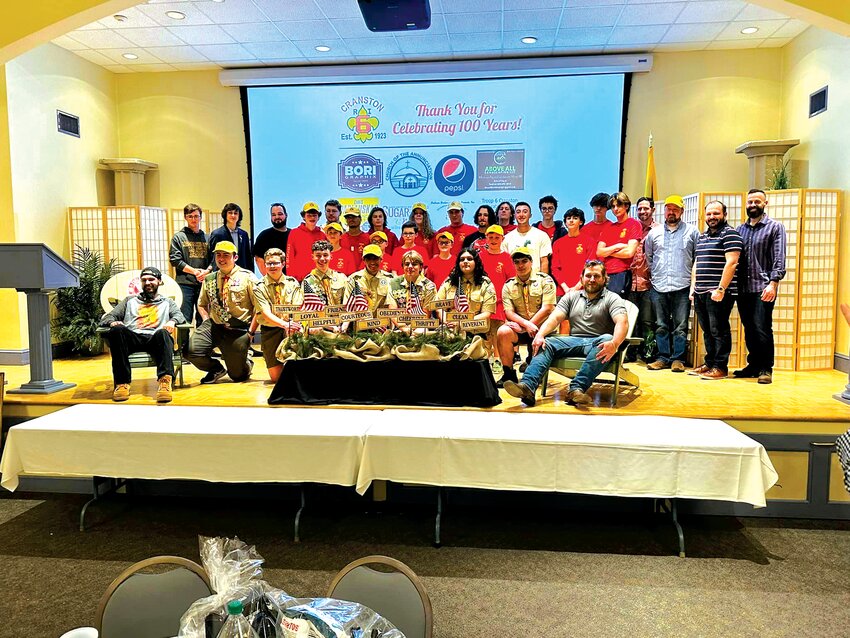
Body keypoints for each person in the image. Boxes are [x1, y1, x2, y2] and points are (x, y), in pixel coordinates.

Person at [504, 260, 628, 408]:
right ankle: (527, 387)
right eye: (588, 276)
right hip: (573, 341)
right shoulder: (571, 297)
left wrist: (614, 344)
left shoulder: (612, 298)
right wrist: (540, 335)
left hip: (598, 343)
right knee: (546, 342)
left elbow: (622, 322)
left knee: (607, 338)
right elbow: (555, 318)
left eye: (596, 276)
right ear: (581, 278)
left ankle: (576, 389)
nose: (592, 280)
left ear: (604, 278)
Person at [100, 266, 185, 403]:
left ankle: (165, 382)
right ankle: (122, 384)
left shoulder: (167, 302)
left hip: (155, 339)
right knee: (117, 331)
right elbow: (108, 317)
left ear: (159, 281)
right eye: (144, 280)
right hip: (133, 338)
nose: (147, 283)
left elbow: (180, 316)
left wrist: (172, 321)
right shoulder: (129, 301)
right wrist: (112, 323)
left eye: (151, 279)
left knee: (163, 333)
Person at [734, 188, 787, 385]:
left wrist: (773, 283)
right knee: (749, 328)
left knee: (762, 327)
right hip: (743, 288)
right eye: (750, 202)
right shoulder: (740, 230)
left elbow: (779, 258)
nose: (753, 205)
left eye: (757, 201)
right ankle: (753, 365)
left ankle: (766, 368)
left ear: (765, 204)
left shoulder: (775, 227)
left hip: (763, 287)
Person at [188, 241, 259, 384]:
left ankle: (246, 360)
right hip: (215, 326)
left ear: (235, 257)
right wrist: (207, 320)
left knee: (238, 376)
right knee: (191, 350)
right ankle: (216, 369)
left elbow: (259, 308)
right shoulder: (209, 279)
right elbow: (201, 304)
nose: (221, 259)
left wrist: (251, 333)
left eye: (226, 255)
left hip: (238, 329)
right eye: (218, 255)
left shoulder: (248, 277)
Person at [645, 195, 700, 372]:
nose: (671, 212)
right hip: (659, 286)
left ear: (682, 211)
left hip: (682, 286)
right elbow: (649, 258)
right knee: (661, 325)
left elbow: (697, 258)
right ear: (664, 211)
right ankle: (662, 357)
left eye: (675, 209)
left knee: (680, 326)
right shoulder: (654, 233)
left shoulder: (692, 232)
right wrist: (657, 274)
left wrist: (693, 283)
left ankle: (678, 359)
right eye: (669, 209)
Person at [690, 200, 742, 380]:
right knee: (708, 330)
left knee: (719, 330)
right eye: (709, 214)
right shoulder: (702, 237)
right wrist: (693, 288)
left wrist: (721, 289)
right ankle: (710, 363)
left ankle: (720, 367)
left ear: (724, 215)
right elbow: (697, 264)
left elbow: (732, 262)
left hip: (718, 292)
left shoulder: (730, 234)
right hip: (700, 292)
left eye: (716, 214)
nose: (712, 217)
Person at [496, 247, 557, 387]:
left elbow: (548, 308)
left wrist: (529, 325)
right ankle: (508, 375)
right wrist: (525, 325)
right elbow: (509, 312)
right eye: (517, 262)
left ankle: (533, 366)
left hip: (542, 328)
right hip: (521, 327)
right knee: (503, 332)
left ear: (531, 262)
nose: (521, 265)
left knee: (536, 362)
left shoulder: (545, 280)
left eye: (524, 261)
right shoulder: (508, 285)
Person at [251, 248, 302, 383]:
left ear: (283, 264)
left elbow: (298, 308)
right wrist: (284, 324)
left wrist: (291, 326)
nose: (272, 267)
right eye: (269, 264)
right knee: (276, 378)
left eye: (275, 263)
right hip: (271, 330)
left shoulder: (293, 283)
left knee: (297, 370)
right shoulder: (259, 286)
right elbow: (265, 312)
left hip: (292, 328)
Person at [435, 248, 497, 336]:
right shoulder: (450, 282)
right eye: (462, 259)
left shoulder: (485, 283)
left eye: (469, 259)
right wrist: (446, 321)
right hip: (451, 331)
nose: (465, 261)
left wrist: (462, 324)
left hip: (476, 333)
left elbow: (486, 313)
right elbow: (439, 306)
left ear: (476, 262)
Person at [478, 224, 516, 367]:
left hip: (500, 304)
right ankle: (485, 363)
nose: (493, 240)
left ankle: (498, 362)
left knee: (498, 334)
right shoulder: (479, 257)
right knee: (484, 334)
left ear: (502, 239)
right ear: (486, 238)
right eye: (490, 237)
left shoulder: (506, 258)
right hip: (483, 304)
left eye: (497, 237)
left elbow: (511, 281)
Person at [627, 196, 659, 362]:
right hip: (629, 282)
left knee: (648, 321)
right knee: (630, 319)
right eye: (639, 209)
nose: (642, 211)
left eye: (646, 208)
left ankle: (648, 353)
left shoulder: (659, 230)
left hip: (650, 283)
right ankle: (630, 354)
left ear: (653, 210)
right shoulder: (631, 228)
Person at [169, 203, 211, 326]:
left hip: (204, 283)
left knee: (203, 318)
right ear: (185, 217)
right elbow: (175, 260)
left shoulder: (207, 237)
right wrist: (195, 272)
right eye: (190, 216)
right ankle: (184, 345)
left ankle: (200, 345)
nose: (194, 219)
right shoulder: (178, 237)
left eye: (196, 216)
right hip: (185, 284)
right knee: (184, 318)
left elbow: (214, 260)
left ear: (201, 217)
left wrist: (206, 272)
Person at [596, 192, 641, 296]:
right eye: (613, 206)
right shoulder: (608, 227)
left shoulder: (634, 224)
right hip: (604, 273)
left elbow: (629, 252)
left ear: (626, 206)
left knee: (616, 308)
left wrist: (608, 252)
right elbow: (599, 252)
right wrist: (617, 246)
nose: (615, 209)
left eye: (619, 205)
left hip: (621, 273)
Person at [342, 244, 392, 332]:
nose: (372, 262)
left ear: (381, 259)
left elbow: (392, 308)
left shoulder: (389, 279)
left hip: (383, 330)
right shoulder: (353, 280)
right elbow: (347, 308)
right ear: (363, 260)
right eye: (368, 259)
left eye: (375, 258)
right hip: (360, 330)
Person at [387, 250, 437, 334]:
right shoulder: (393, 283)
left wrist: (412, 329)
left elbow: (425, 314)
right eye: (406, 264)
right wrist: (403, 327)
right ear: (402, 266)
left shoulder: (429, 286)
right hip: (400, 326)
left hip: (422, 325)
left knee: (419, 333)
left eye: (414, 264)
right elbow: (393, 311)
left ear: (421, 267)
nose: (410, 267)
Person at [550, 207, 594, 294]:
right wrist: (565, 288)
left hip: (584, 289)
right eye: (568, 218)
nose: (571, 220)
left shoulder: (589, 241)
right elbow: (555, 268)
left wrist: (577, 287)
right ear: (565, 222)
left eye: (575, 218)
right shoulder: (558, 243)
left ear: (581, 222)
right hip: (563, 290)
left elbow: (591, 266)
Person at [502, 201, 552, 274]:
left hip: (536, 281)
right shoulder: (507, 238)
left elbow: (544, 262)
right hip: (514, 281)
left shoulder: (541, 235)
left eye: (525, 212)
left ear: (530, 215)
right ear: (514, 215)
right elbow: (505, 264)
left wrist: (543, 282)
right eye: (518, 212)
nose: (521, 215)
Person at [286, 201, 327, 281]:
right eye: (309, 215)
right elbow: (289, 257)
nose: (312, 218)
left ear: (318, 217)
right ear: (303, 217)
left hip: (319, 279)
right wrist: (291, 278)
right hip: (299, 280)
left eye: (314, 215)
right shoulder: (294, 233)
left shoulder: (322, 235)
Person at [209, 203, 253, 272]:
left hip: (241, 273)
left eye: (235, 213)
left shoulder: (244, 234)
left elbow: (248, 256)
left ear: (239, 216)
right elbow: (212, 257)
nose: (233, 215)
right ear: (225, 215)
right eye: (230, 213)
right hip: (223, 272)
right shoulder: (217, 234)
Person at [252, 202, 289, 276]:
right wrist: (269, 278)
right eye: (273, 215)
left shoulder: (293, 234)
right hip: (272, 281)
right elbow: (258, 259)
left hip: (292, 281)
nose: (277, 217)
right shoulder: (264, 236)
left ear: (286, 215)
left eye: (280, 214)